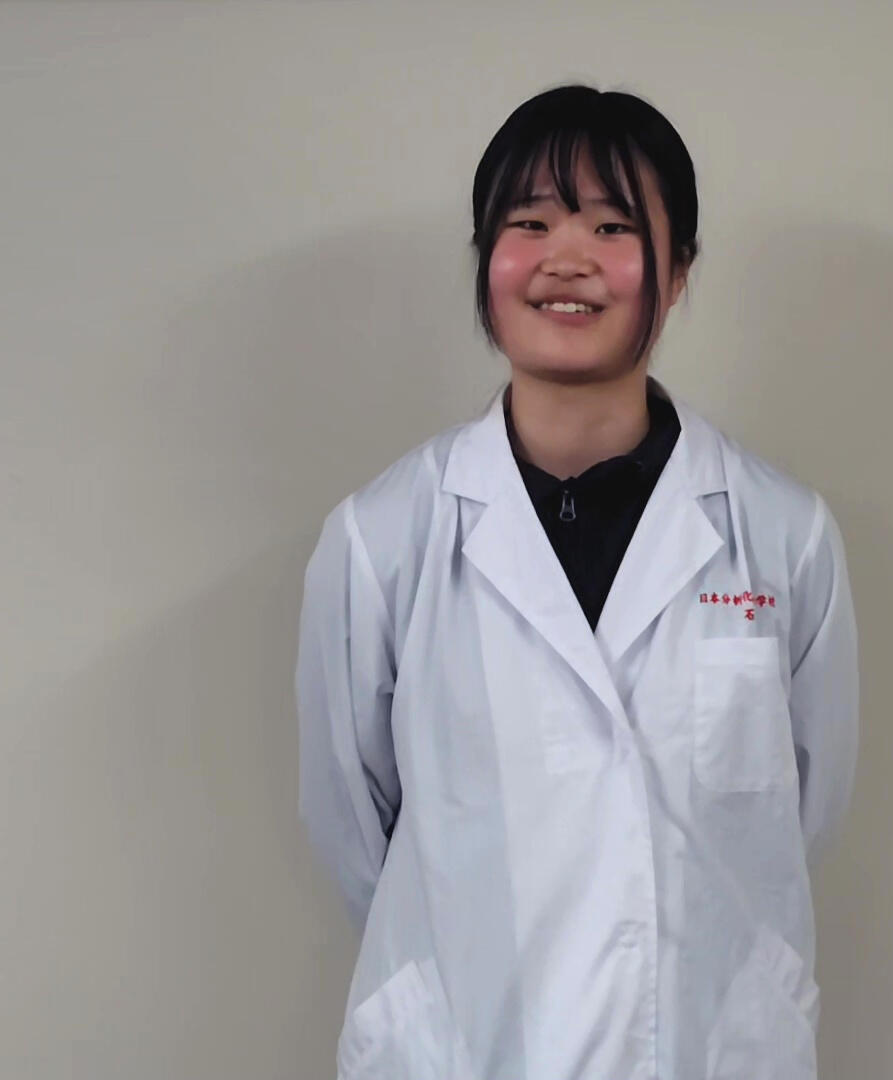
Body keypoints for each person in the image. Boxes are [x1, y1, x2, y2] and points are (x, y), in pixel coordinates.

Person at [296, 83, 859, 1079]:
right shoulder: (382, 538)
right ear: (486, 260)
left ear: (676, 273)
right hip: (467, 1049)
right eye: (530, 224)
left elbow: (802, 811)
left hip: (704, 1046)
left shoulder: (783, 535)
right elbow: (353, 824)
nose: (567, 258)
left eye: (612, 226)